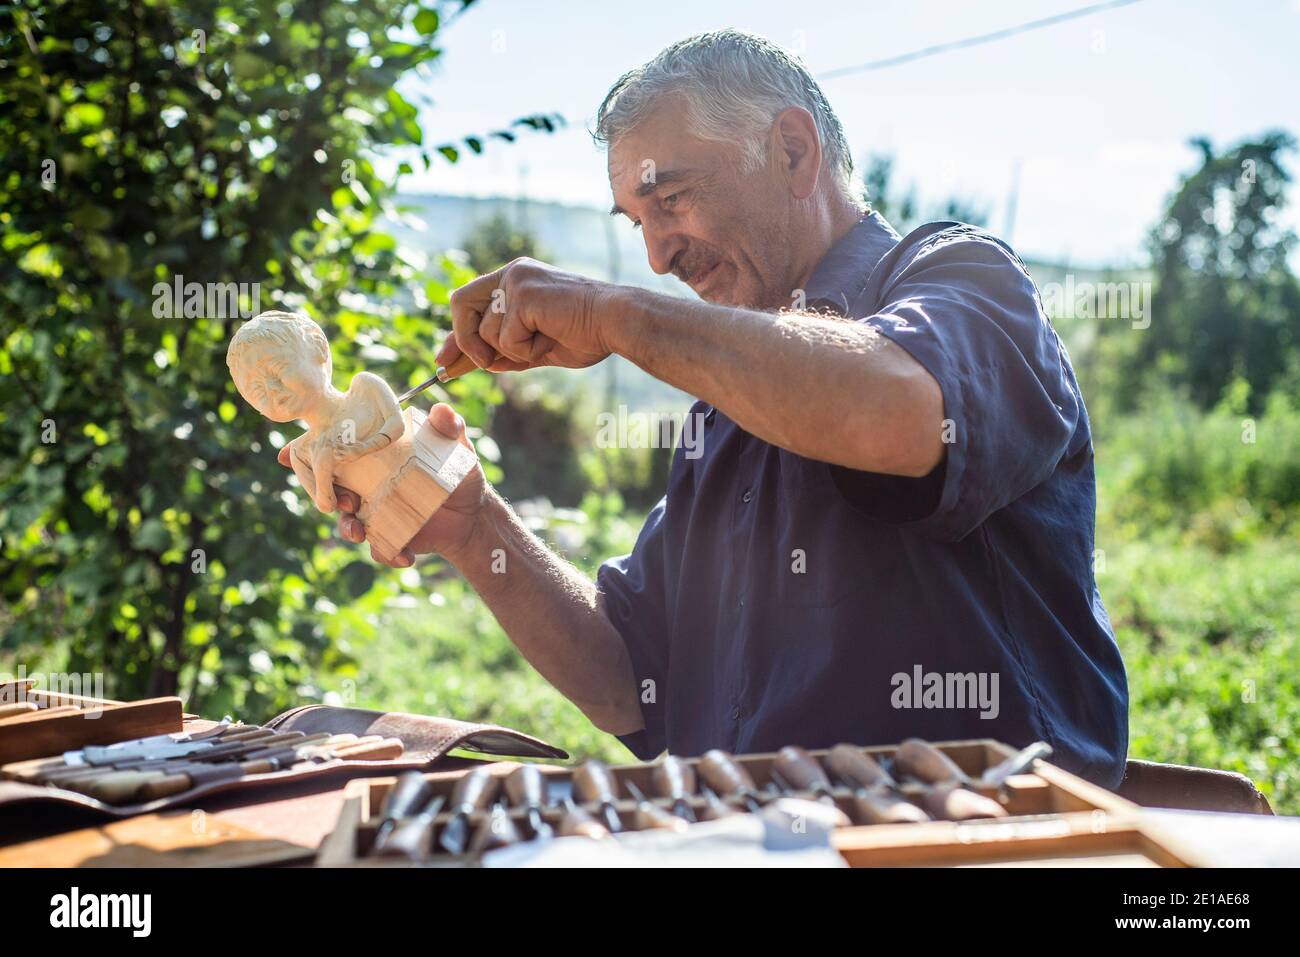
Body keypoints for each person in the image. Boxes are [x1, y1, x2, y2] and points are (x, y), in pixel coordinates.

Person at [290, 30, 1129, 787]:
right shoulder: (727, 403)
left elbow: (897, 414)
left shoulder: (965, 279)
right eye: (636, 222)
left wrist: (612, 314)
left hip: (981, 840)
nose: (657, 255)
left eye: (672, 200)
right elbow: (631, 681)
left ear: (794, 152)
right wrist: (475, 527)